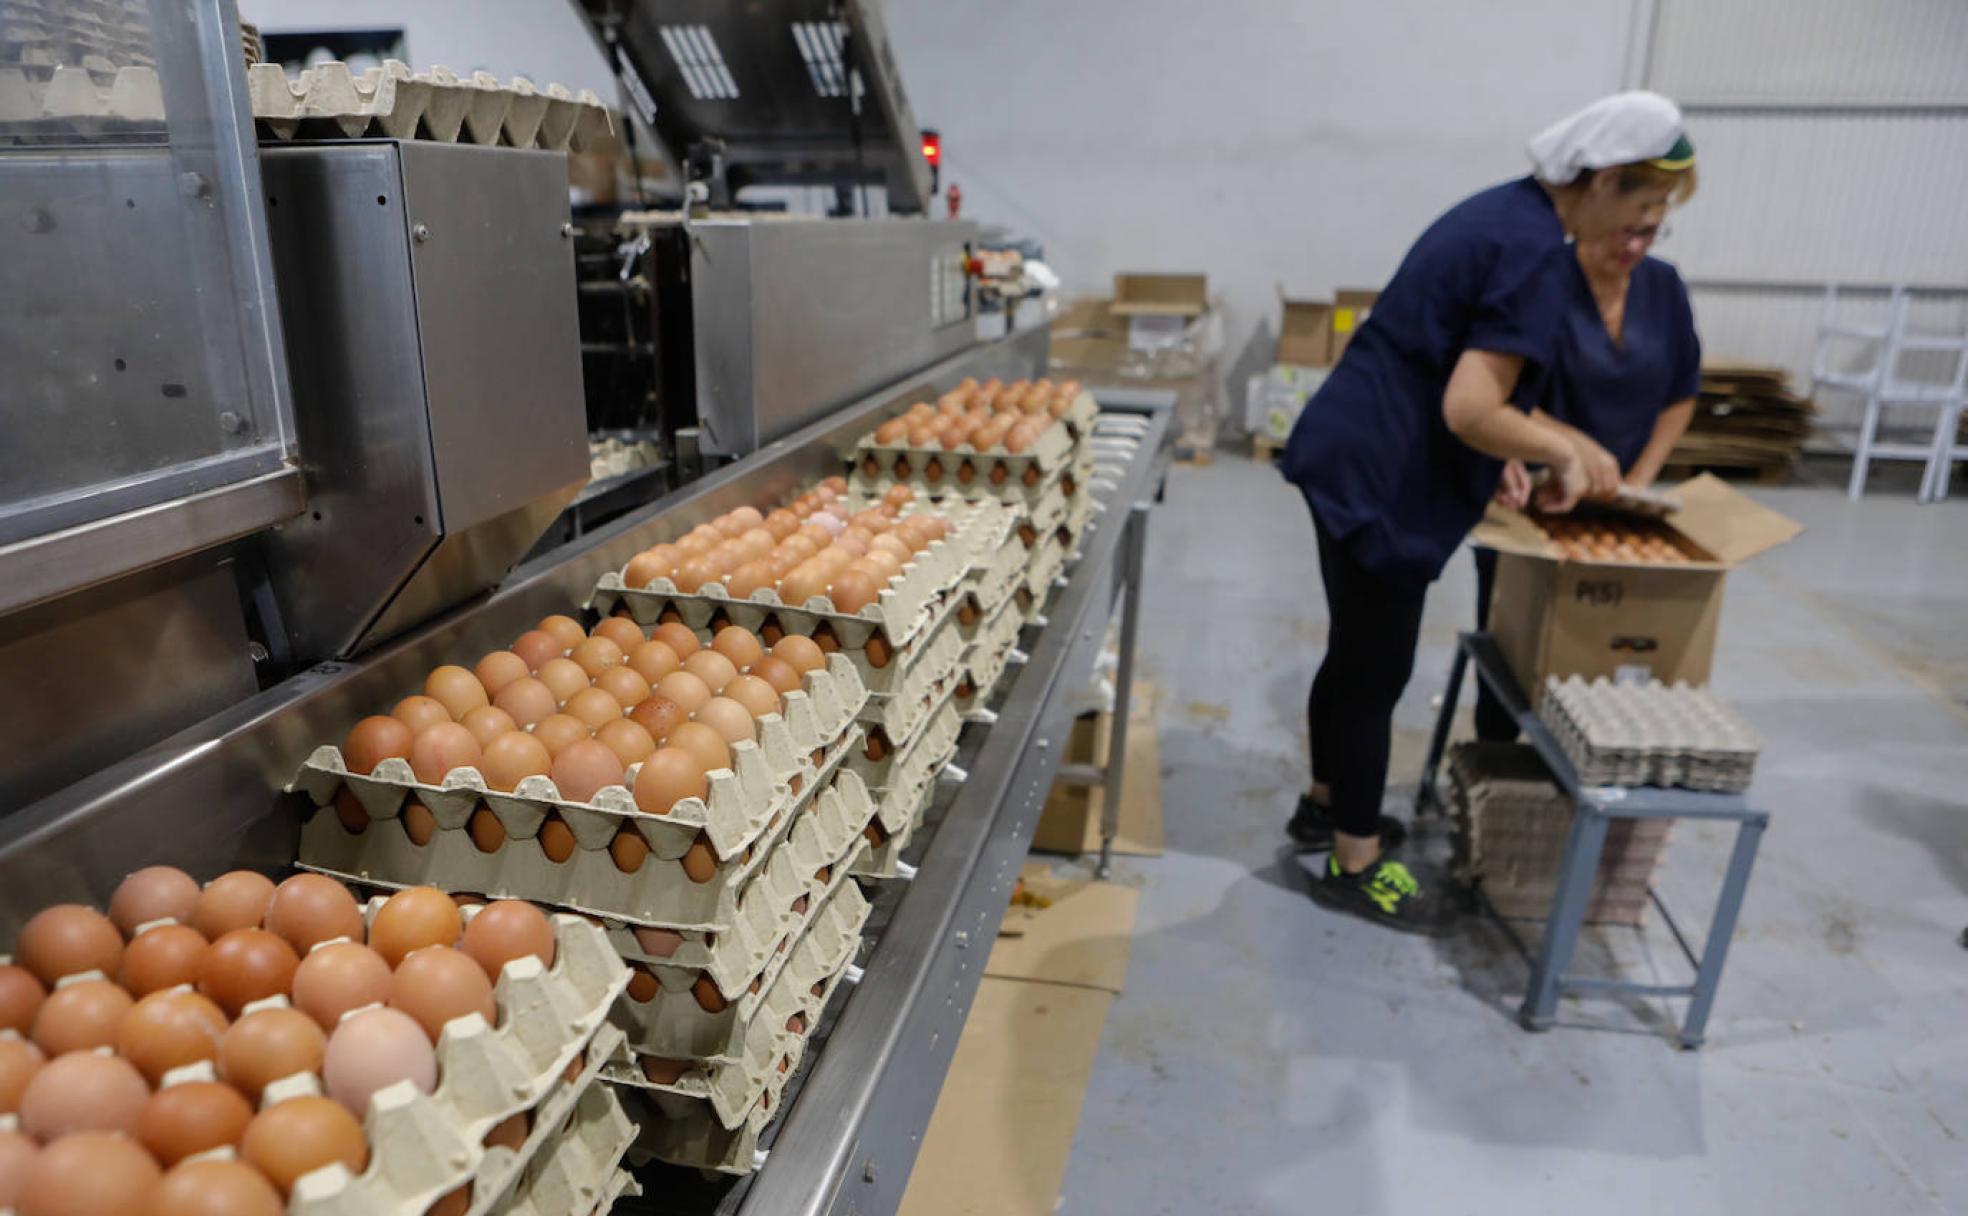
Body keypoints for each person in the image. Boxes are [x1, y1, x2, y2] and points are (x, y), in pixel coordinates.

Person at [1277, 92, 1699, 932]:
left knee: (1353, 656)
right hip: (1381, 472)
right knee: (1375, 671)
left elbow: (1460, 372)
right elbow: (1470, 408)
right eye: (1642, 207)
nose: (1640, 231)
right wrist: (1563, 450)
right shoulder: (1536, 252)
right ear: (1604, 180)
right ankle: (1355, 864)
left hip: (1354, 448)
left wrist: (1518, 442)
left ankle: (1327, 806)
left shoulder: (1504, 215)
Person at [1473, 160, 1701, 741]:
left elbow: (1681, 394)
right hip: (1533, 503)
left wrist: (1638, 481)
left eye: (1649, 233)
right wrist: (1567, 448)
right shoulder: (1543, 281)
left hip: (1619, 510)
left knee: (1599, 657)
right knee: (1513, 657)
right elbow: (1498, 397)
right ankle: (1498, 761)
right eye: (1626, 229)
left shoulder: (1663, 288)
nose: (1634, 245)